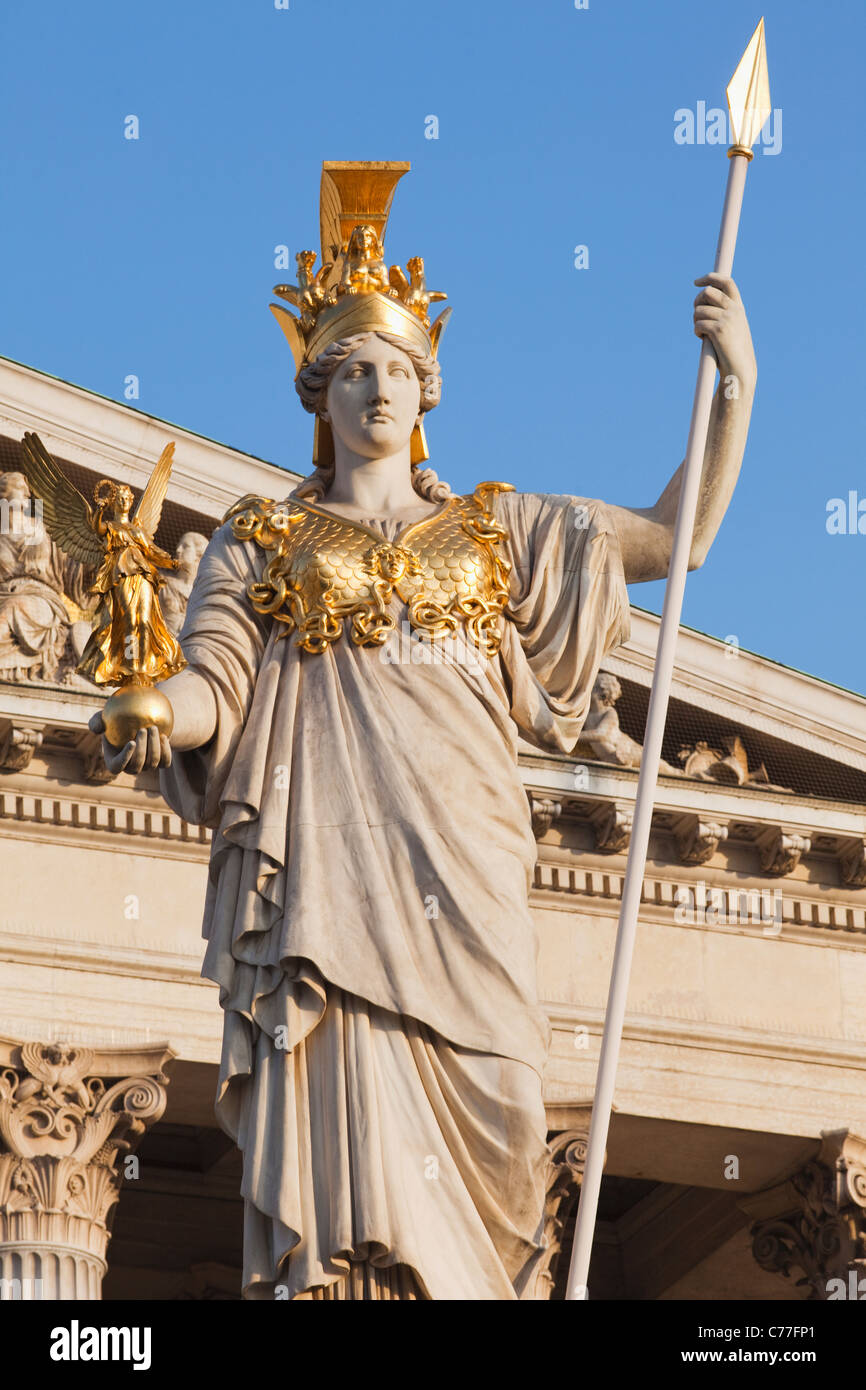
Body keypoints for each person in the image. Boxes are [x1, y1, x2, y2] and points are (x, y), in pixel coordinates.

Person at [89, 166, 756, 1300]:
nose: (377, 391)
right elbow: (216, 687)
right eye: (353, 371)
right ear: (322, 395)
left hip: (470, 889)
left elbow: (672, 539)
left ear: (427, 386)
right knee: (347, 1232)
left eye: (396, 370)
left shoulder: (498, 533)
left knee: (497, 1148)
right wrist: (155, 709)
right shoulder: (258, 543)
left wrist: (735, 379)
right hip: (329, 897)